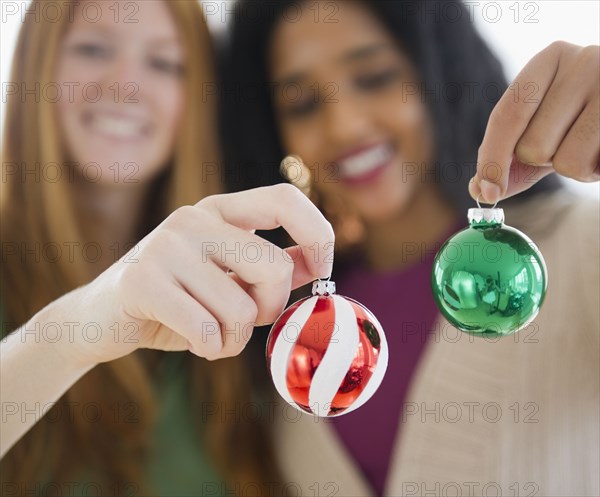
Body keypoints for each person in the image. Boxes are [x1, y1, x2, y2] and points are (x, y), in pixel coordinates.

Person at [222, 1, 600, 495]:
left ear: (438, 72)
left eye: (375, 77)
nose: (345, 126)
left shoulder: (578, 251)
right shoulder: (280, 312)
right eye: (303, 104)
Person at [0, 1, 334, 495]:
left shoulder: (254, 283)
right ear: (35, 66)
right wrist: (77, 327)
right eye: (93, 49)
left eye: (163, 63)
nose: (125, 85)